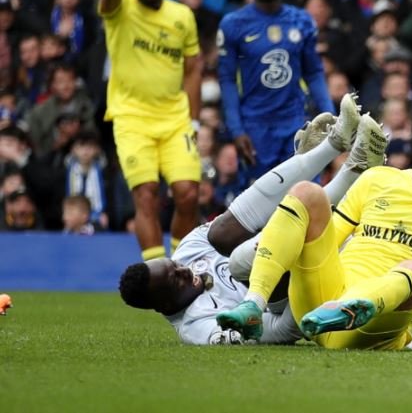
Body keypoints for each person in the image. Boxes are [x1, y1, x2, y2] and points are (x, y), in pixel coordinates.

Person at [217, 111, 412, 353]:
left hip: (379, 326)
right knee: (307, 192)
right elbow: (330, 237)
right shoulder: (376, 178)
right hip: (320, 302)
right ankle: (253, 303)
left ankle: (353, 308)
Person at [119, 93, 389, 345]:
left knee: (224, 235)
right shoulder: (197, 326)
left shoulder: (187, 254)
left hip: (299, 240)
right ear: (164, 306)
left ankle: (334, 145)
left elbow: (247, 214)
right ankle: (350, 169)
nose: (184, 270)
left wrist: (275, 240)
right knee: (240, 262)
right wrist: (277, 257)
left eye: (174, 265)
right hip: (301, 300)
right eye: (175, 279)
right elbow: (278, 331)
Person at [98, 0, 202, 261]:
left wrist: (194, 121)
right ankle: (159, 277)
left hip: (175, 120)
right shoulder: (120, 8)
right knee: (146, 196)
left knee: (188, 194)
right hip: (132, 119)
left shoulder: (182, 15)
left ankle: (181, 265)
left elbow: (194, 67)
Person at [218, 0, 335, 182]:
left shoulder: (302, 21)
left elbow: (314, 72)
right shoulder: (233, 24)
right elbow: (227, 79)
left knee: (304, 195)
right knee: (257, 207)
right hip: (255, 127)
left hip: (295, 122)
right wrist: (237, 130)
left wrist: (329, 114)